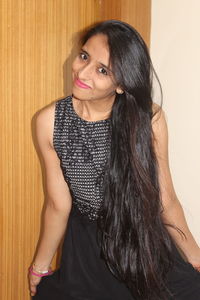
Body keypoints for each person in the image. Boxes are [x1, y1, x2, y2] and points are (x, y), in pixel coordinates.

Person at [28, 20, 200, 300]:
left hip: (141, 246)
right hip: (87, 254)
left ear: (121, 84)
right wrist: (40, 266)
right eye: (84, 56)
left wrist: (195, 255)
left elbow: (165, 199)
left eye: (102, 70)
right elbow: (58, 204)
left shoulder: (148, 119)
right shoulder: (49, 122)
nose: (82, 72)